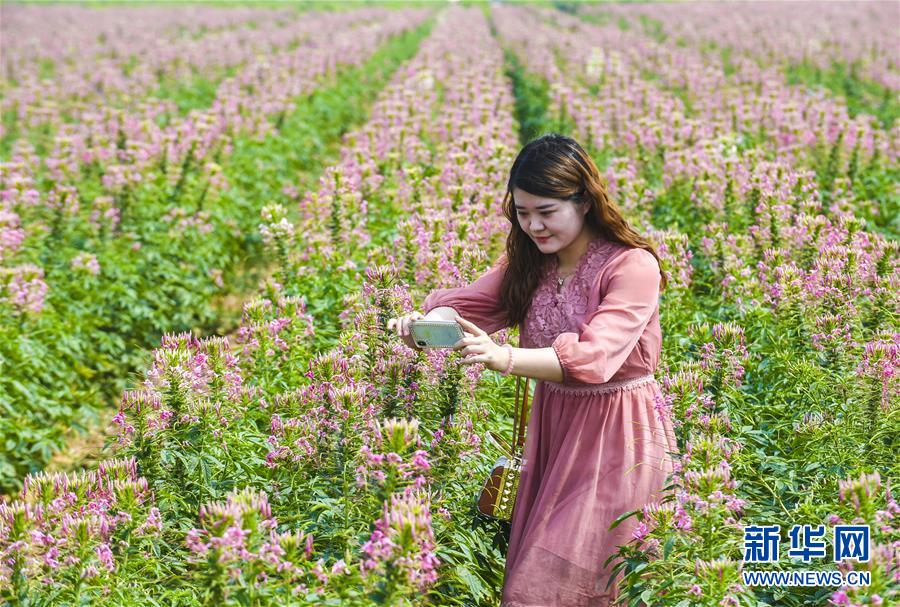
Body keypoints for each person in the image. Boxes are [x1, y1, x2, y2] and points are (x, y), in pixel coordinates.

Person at [387, 134, 678, 606]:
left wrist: (505, 358)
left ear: (583, 200)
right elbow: (472, 307)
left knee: (563, 580)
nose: (534, 226)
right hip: (554, 430)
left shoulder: (632, 266)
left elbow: (597, 356)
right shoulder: (530, 262)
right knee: (544, 575)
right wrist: (421, 326)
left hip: (616, 440)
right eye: (522, 213)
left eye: (546, 211)